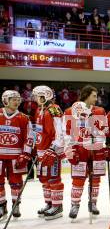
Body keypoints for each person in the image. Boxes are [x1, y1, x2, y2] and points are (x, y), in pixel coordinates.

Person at [64, 85, 107, 220]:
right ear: (86, 95)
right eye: (94, 96)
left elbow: (105, 131)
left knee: (95, 179)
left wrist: (102, 141)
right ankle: (75, 205)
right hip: (79, 149)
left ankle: (93, 203)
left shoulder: (100, 111)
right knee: (78, 179)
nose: (96, 98)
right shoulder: (70, 111)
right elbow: (66, 133)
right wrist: (69, 150)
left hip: (96, 149)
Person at [32, 85, 65, 220]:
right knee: (44, 179)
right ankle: (49, 203)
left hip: (51, 151)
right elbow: (38, 132)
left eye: (37, 96)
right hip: (41, 151)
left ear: (44, 96)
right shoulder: (39, 110)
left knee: (53, 179)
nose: (34, 99)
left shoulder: (53, 110)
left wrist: (53, 149)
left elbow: (59, 132)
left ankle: (57, 206)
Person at [0, 90, 34, 221]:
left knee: (16, 183)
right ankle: (1, 206)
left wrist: (25, 154)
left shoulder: (24, 118)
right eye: (13, 99)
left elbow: (29, 137)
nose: (16, 101)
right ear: (5, 100)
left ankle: (16, 205)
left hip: (16, 157)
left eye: (18, 99)